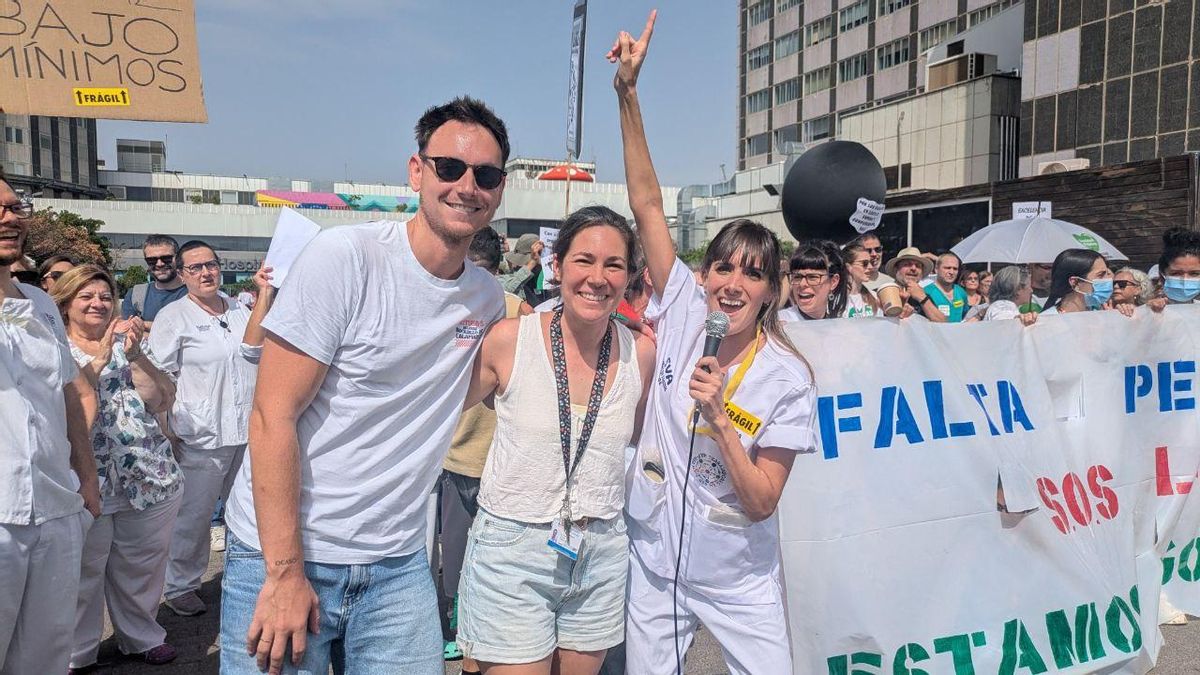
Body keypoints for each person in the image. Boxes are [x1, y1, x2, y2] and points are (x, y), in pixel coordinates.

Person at [219, 97, 510, 675]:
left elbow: (477, 382)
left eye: (486, 175)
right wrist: (283, 573)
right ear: (416, 171)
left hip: (397, 564)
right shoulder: (346, 258)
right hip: (287, 553)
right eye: (449, 168)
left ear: (500, 189)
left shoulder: (486, 298)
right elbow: (270, 414)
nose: (466, 186)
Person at [614, 15, 818, 673]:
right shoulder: (679, 311)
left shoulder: (787, 375)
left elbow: (761, 500)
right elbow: (647, 203)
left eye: (752, 274)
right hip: (657, 560)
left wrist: (720, 418)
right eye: (723, 267)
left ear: (769, 293)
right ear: (703, 275)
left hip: (739, 576)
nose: (732, 284)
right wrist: (627, 93)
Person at [457, 206, 656, 674]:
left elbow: (644, 438)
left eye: (614, 265)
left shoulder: (641, 353)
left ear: (629, 277)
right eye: (584, 260)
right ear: (558, 265)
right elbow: (431, 411)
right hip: (514, 546)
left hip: (600, 547)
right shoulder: (509, 340)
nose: (597, 277)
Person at [53, 265, 183, 669]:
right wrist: (98, 361)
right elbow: (61, 409)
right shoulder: (54, 349)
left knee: (141, 566)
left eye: (105, 296)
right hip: (84, 479)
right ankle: (79, 652)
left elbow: (161, 400)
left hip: (148, 472)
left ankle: (141, 636)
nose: (98, 303)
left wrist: (135, 355)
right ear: (66, 303)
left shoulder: (129, 342)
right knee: (82, 573)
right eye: (86, 296)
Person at [0, 168, 101, 674]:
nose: (10, 217)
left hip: (55, 506)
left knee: (44, 657)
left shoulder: (38, 304)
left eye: (16, 208)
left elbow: (65, 394)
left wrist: (86, 479)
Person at [148, 240, 274, 618]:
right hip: (201, 434)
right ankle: (181, 585)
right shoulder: (175, 317)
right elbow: (157, 376)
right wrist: (167, 428)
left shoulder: (241, 309)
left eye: (211, 265)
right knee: (195, 516)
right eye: (195, 268)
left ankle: (244, 577)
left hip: (248, 432)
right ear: (183, 274)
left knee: (249, 513)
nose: (206, 273)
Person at [438, 226, 524, 673]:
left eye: (484, 271)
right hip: (456, 457)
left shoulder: (518, 314)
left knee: (496, 561)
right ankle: (459, 631)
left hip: (502, 465)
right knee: (454, 558)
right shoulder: (444, 305)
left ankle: (485, 639)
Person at [122, 234, 188, 328]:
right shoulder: (136, 295)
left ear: (178, 258)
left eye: (166, 258)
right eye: (152, 260)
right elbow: (127, 331)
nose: (159, 264)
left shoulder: (195, 293)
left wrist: (144, 325)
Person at [780, 240, 848, 321]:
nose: (802, 284)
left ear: (833, 282)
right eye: (797, 276)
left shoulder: (839, 326)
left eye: (812, 277)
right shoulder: (779, 324)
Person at [1040, 249, 1117, 315]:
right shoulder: (1047, 322)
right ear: (1075, 282)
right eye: (1100, 275)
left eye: (1107, 274)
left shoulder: (1101, 314)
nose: (1108, 279)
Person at [883, 247, 947, 322]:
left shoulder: (924, 295)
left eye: (918, 266)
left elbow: (943, 323)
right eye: (907, 264)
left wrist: (922, 298)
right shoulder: (886, 292)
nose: (913, 268)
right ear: (896, 269)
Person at [855, 232, 902, 315]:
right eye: (868, 251)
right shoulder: (854, 284)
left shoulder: (891, 282)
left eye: (878, 249)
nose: (874, 254)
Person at [1157, 227, 1200, 305]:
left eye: (1194, 273)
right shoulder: (1142, 312)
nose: (1185, 280)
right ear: (1162, 275)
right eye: (1176, 273)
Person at [924, 252, 969, 322]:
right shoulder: (927, 292)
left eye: (955, 269)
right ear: (936, 269)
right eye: (947, 268)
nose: (951, 272)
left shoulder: (961, 292)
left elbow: (964, 315)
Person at [841, 243, 879, 318]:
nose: (870, 267)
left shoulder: (875, 297)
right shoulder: (836, 299)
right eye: (864, 263)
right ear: (848, 267)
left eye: (871, 262)